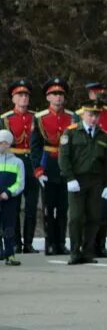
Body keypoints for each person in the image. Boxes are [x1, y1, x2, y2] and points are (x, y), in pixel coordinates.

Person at [59, 101, 107, 265]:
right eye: (90, 114)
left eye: (96, 115)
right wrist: (69, 178)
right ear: (83, 114)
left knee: (94, 217)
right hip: (77, 180)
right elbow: (64, 158)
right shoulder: (71, 133)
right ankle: (75, 252)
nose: (93, 118)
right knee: (76, 217)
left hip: (96, 181)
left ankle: (88, 252)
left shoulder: (103, 136)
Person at [30, 78, 76, 255]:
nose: (58, 98)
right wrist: (38, 170)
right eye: (54, 94)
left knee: (63, 208)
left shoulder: (72, 117)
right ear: (48, 97)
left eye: (61, 94)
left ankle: (61, 243)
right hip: (48, 164)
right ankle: (50, 243)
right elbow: (35, 147)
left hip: (66, 166)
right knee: (49, 208)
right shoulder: (40, 118)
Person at [81, 82, 107, 258]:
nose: (101, 95)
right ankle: (86, 246)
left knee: (103, 210)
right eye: (97, 93)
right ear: (90, 94)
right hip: (84, 170)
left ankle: (100, 246)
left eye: (103, 92)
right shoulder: (80, 115)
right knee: (85, 211)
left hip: (105, 169)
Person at [1, 80, 38, 254]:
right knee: (13, 205)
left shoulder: (35, 118)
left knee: (31, 206)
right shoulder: (6, 119)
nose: (24, 98)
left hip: (31, 162)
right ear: (13, 98)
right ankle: (15, 242)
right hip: (13, 161)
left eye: (26, 95)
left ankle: (28, 243)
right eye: (20, 95)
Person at [0, 129, 25, 266]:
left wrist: (8, 193)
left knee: (9, 227)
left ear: (8, 144)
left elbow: (20, 183)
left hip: (9, 200)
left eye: (2, 143)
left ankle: (10, 255)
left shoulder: (17, 162)